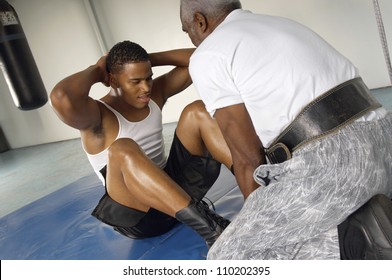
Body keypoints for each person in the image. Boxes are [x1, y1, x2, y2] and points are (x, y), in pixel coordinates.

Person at [179, 0, 392, 259]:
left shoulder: (208, 53)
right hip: (384, 148)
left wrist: (256, 225)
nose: (191, 39)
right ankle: (360, 227)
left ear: (200, 21)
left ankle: (357, 239)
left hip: (334, 167)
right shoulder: (282, 25)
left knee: (227, 258)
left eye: (187, 30)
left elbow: (247, 158)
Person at [50, 40, 233, 249]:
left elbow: (201, 57)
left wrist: (148, 60)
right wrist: (97, 69)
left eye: (148, 78)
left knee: (197, 111)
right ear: (113, 79)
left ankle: (255, 185)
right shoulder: (96, 117)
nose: (145, 88)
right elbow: (61, 96)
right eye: (135, 81)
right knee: (122, 148)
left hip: (177, 196)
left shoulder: (154, 95)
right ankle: (213, 232)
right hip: (141, 216)